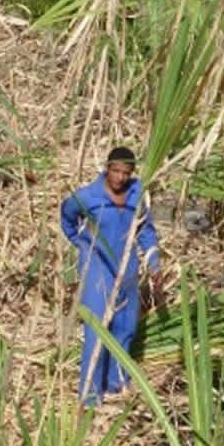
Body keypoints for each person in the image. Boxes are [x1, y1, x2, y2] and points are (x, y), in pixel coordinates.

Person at [60, 147, 163, 407]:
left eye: (125, 173)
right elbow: (67, 217)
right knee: (97, 332)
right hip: (97, 271)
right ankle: (91, 396)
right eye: (115, 171)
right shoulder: (88, 197)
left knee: (125, 327)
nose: (119, 178)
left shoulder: (138, 196)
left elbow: (146, 231)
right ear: (106, 167)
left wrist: (153, 263)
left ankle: (117, 385)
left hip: (127, 269)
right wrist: (82, 244)